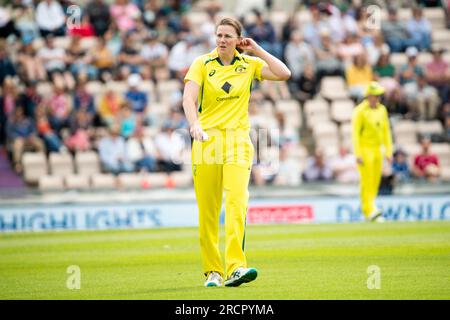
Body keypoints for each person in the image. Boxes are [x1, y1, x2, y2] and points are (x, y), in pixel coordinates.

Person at [182, 17, 290, 287]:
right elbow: (188, 98)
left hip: (238, 142)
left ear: (238, 39)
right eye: (218, 35)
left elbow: (284, 74)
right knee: (208, 210)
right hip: (207, 142)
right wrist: (194, 124)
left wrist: (258, 50)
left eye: (227, 36)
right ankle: (213, 272)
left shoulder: (248, 64)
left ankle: (236, 267)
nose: (221, 40)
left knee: (236, 203)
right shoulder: (202, 63)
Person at [352, 82, 393, 222]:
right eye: (375, 95)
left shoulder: (382, 110)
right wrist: (357, 154)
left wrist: (388, 151)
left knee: (375, 180)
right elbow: (355, 134)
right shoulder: (360, 111)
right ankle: (368, 210)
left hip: (377, 149)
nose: (377, 98)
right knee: (366, 181)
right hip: (364, 150)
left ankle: (372, 207)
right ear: (368, 96)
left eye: (379, 95)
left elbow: (386, 131)